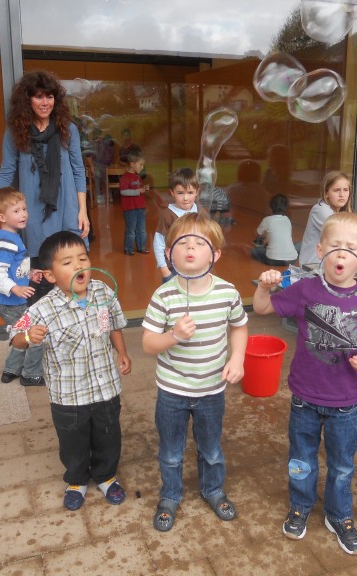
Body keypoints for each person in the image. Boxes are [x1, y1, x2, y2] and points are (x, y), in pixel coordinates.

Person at [253, 211, 357, 556]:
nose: (342, 254)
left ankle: (339, 514)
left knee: (342, 464)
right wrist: (264, 286)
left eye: (351, 248)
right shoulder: (304, 289)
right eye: (335, 246)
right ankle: (300, 505)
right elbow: (264, 308)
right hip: (304, 398)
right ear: (320, 249)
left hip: (345, 401)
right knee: (301, 459)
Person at [141, 212, 248, 532]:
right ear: (169, 253)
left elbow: (240, 327)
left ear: (215, 254)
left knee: (211, 449)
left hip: (212, 390)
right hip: (172, 390)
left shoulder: (227, 292)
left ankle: (213, 489)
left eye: (198, 243)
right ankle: (170, 495)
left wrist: (238, 358)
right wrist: (173, 335)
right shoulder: (164, 295)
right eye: (181, 243)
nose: (189, 248)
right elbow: (147, 343)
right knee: (171, 451)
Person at [10, 231, 131, 511]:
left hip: (106, 387)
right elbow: (15, 337)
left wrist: (122, 353)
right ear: (51, 276)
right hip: (68, 396)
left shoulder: (103, 291)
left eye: (83, 258)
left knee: (108, 435)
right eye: (67, 262)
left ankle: (106, 476)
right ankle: (76, 479)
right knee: (73, 442)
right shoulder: (44, 308)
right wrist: (29, 336)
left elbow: (113, 324)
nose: (79, 266)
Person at [0, 69, 91, 305]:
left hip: (66, 207)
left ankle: (75, 319)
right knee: (39, 273)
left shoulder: (67, 129)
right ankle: (43, 326)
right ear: (27, 99)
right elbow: (6, 171)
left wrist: (82, 211)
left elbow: (78, 169)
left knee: (71, 265)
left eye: (49, 96)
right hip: (32, 208)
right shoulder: (16, 131)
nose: (45, 102)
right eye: (39, 96)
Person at [0, 187, 44, 387]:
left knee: (22, 332)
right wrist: (15, 289)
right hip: (8, 301)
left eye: (24, 209)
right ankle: (31, 374)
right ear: (1, 217)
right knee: (36, 335)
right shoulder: (5, 240)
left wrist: (29, 275)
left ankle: (11, 369)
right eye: (16, 211)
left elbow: (14, 267)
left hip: (11, 300)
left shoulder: (11, 236)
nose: (23, 214)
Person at [298, 171, 357, 267]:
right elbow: (343, 235)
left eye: (345, 190)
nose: (342, 194)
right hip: (313, 268)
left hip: (328, 266)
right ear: (326, 193)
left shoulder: (336, 212)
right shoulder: (321, 210)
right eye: (336, 190)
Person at [153, 167, 202, 283]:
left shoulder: (200, 212)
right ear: (172, 192)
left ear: (197, 191)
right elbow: (158, 244)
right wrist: (165, 271)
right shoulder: (167, 216)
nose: (186, 198)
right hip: (173, 269)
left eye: (190, 193)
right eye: (180, 193)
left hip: (198, 266)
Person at [251, 194, 298, 266]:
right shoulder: (287, 220)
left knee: (254, 251)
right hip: (292, 260)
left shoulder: (267, 220)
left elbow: (256, 234)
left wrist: (263, 238)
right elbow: (280, 236)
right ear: (286, 208)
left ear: (271, 207)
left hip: (274, 260)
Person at [120, 152, 150, 256]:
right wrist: (138, 191)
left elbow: (139, 189)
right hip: (130, 209)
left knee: (142, 230)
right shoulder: (125, 178)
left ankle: (141, 247)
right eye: (140, 164)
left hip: (140, 207)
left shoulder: (138, 177)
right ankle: (128, 248)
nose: (142, 167)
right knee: (131, 230)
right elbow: (123, 191)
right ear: (132, 164)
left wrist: (144, 188)